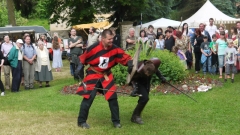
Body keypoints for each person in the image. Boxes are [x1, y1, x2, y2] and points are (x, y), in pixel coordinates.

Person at [75, 29, 132, 129]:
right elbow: (83, 58)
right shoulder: (93, 48)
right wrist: (79, 67)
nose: (111, 41)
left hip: (106, 76)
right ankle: (81, 121)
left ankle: (116, 122)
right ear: (103, 38)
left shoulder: (114, 49)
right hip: (93, 74)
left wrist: (130, 63)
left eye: (112, 39)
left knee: (113, 98)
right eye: (109, 39)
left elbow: (125, 57)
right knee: (88, 98)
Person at [128, 58, 166, 124]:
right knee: (145, 98)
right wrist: (135, 90)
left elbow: (156, 69)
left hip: (146, 82)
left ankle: (136, 114)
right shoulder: (138, 70)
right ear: (144, 70)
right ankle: (135, 116)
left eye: (150, 74)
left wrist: (161, 77)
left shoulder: (154, 63)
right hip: (138, 82)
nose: (148, 75)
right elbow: (133, 80)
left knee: (144, 98)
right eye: (147, 74)